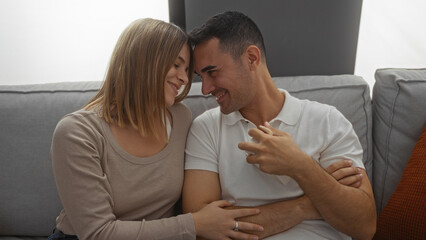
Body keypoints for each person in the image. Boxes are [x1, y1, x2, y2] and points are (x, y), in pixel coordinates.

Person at [48, 18, 264, 240]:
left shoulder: (180, 118)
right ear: (143, 61)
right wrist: (194, 224)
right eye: (176, 65)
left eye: (187, 70)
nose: (183, 78)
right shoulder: (77, 133)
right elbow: (98, 233)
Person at [182, 11, 376, 240]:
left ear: (251, 58)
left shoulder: (328, 121)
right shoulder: (206, 129)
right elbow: (203, 230)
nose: (205, 89)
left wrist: (300, 166)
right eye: (200, 77)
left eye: (212, 72)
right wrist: (308, 204)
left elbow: (365, 227)